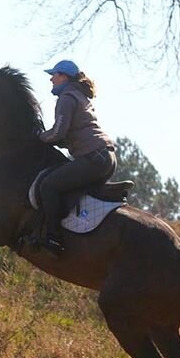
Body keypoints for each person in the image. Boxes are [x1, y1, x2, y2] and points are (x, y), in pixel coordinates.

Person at [31, 59, 117, 255]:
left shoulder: (67, 97)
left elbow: (57, 133)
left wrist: (38, 137)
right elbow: (67, 135)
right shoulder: (79, 95)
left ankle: (53, 238)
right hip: (105, 157)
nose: (51, 79)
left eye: (54, 75)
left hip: (94, 158)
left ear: (64, 77)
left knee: (48, 185)